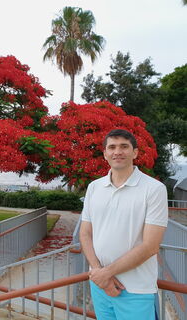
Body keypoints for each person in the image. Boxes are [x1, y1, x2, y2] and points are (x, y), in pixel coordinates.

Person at [79, 129, 168, 320]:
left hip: (135, 289)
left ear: (135, 152)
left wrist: (106, 274)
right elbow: (85, 233)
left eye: (124, 146)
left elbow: (151, 246)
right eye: (112, 147)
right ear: (105, 154)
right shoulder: (94, 187)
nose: (117, 151)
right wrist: (98, 273)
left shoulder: (154, 189)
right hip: (100, 285)